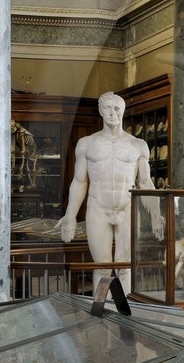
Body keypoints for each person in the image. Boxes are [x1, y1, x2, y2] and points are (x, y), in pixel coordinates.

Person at [57, 92, 154, 291]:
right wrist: (70, 215)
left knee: (125, 266)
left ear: (123, 111)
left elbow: (145, 182)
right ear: (100, 111)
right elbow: (79, 181)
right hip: (98, 208)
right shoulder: (87, 144)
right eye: (107, 108)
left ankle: (125, 313)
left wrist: (157, 215)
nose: (112, 113)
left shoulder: (137, 145)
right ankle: (100, 312)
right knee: (102, 267)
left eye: (117, 108)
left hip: (127, 208)